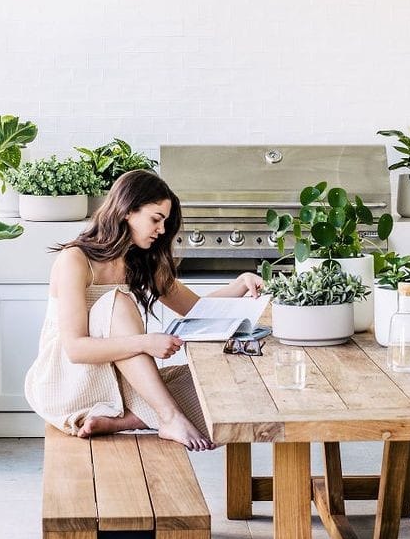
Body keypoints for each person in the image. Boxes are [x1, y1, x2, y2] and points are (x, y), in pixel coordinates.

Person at [24, 169, 262, 451]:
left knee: (216, 380)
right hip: (69, 382)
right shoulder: (75, 260)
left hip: (116, 380)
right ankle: (168, 416)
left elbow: (196, 309)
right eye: (156, 219)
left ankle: (128, 418)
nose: (161, 230)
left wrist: (240, 284)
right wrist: (146, 343)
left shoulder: (140, 262)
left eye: (164, 223)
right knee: (117, 302)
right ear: (127, 211)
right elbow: (75, 349)